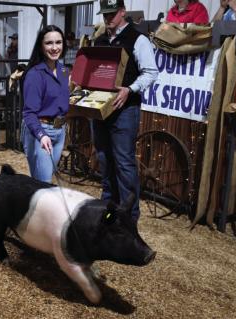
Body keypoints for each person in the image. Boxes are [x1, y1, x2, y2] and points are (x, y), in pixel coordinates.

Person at [93, 0, 158, 222]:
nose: (108, 18)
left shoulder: (138, 39)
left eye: (113, 13)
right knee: (104, 159)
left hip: (125, 110)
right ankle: (108, 210)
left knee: (123, 162)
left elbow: (150, 72)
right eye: (105, 14)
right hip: (100, 109)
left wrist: (130, 89)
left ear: (123, 12)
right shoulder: (100, 39)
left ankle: (129, 217)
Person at [21, 25, 69, 183]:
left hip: (59, 130)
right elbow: (29, 113)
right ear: (41, 47)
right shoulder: (35, 74)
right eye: (49, 43)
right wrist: (41, 135)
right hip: (41, 130)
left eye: (58, 42)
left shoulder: (63, 71)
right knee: (43, 184)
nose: (55, 48)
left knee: (44, 182)